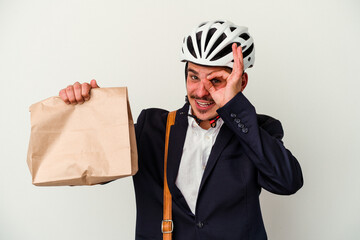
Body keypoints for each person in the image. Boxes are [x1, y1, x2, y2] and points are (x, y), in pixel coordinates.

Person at [59, 20, 303, 240]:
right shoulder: (152, 129)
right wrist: (88, 111)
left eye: (216, 80)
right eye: (194, 77)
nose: (200, 91)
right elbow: (83, 166)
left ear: (241, 82)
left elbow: (288, 182)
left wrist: (234, 106)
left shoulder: (257, 130)